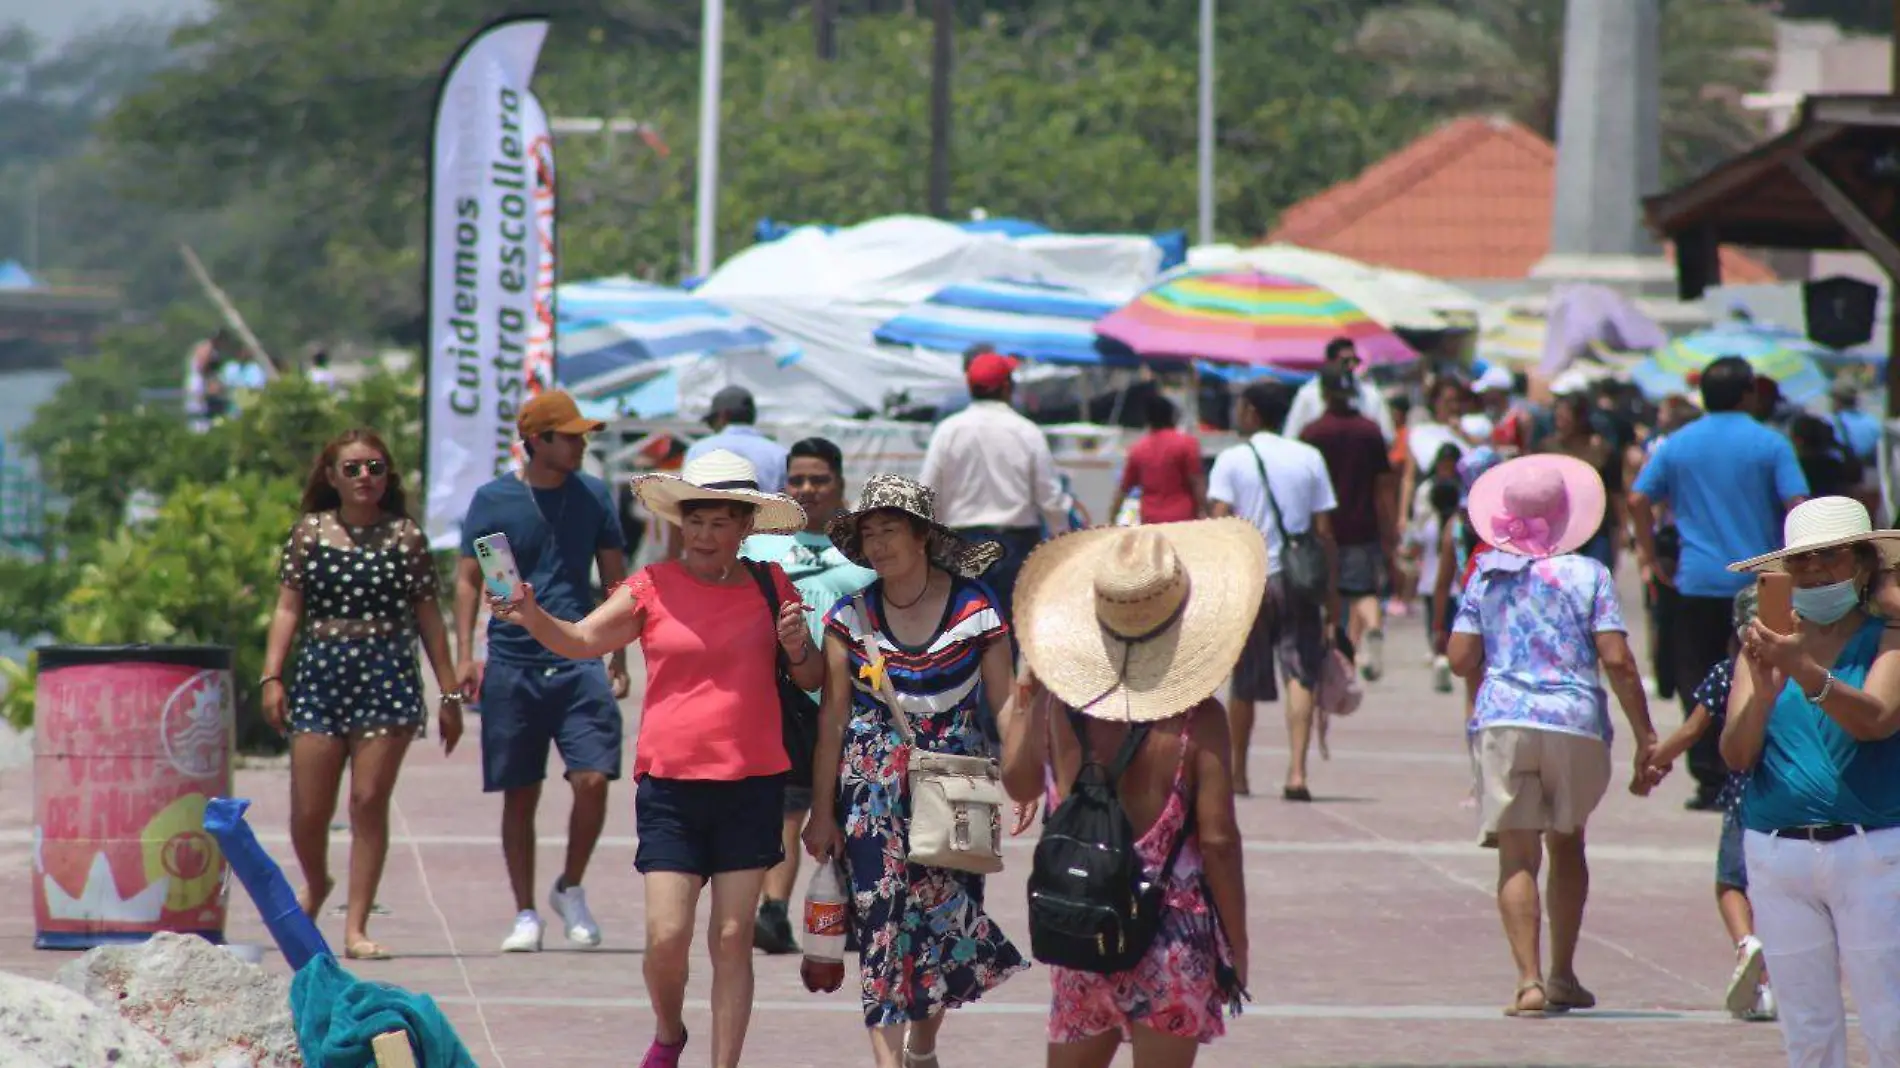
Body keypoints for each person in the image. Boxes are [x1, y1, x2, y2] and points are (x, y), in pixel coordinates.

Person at [493, 449, 821, 1068]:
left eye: (720, 522)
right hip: (671, 787)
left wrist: (799, 645)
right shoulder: (651, 585)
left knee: (732, 938)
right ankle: (670, 1034)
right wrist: (530, 613)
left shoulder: (770, 585)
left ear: (744, 528)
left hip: (752, 782)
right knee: (666, 940)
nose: (704, 534)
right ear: (678, 523)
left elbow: (806, 677)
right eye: (694, 520)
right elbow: (584, 640)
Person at [1001, 520, 1256, 1067]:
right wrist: (1236, 943)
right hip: (1170, 937)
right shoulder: (1198, 719)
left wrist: (1027, 693)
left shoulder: (1059, 703)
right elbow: (1217, 842)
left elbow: (1018, 784)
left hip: (1081, 927)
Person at [802, 475, 1027, 1068]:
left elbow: (1005, 704)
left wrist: (1027, 774)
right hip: (872, 786)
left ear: (922, 536)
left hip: (959, 782)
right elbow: (832, 719)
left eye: (890, 530)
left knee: (950, 922)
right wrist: (821, 812)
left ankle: (922, 1046)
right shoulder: (850, 617)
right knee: (881, 926)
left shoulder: (977, 609)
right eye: (867, 534)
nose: (877, 545)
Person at [1447, 454, 1661, 1018]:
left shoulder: (1486, 573)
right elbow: (1616, 658)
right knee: (1568, 844)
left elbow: (1459, 658)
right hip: (1574, 722)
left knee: (1516, 854)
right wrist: (1645, 734)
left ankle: (1528, 982)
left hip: (1505, 720)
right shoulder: (1590, 574)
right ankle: (1565, 973)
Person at [259, 429, 463, 960]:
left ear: (387, 475)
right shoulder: (308, 533)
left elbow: (428, 618)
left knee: (368, 801)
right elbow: (287, 609)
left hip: (386, 675)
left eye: (373, 467)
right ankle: (317, 879)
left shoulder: (405, 537)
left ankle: (355, 927)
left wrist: (450, 694)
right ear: (331, 477)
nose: (363, 477)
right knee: (308, 809)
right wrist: (272, 676)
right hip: (321, 674)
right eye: (351, 469)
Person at [1720, 496, 1900, 1068]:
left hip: (1872, 847)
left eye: (1830, 556)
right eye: (1800, 562)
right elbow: (1737, 753)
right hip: (1777, 851)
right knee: (1807, 1028)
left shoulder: (1888, 636)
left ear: (1864, 563)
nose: (1814, 571)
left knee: (1890, 1017)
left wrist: (1803, 670)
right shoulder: (1764, 644)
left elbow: (1876, 719)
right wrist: (1764, 691)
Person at [453, 390, 631, 953]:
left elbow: (616, 581)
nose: (581, 444)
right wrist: (465, 654)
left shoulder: (595, 496)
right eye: (569, 435)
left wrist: (620, 655)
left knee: (594, 778)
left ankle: (569, 887)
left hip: (579, 655)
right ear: (535, 441)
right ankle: (525, 910)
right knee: (519, 793)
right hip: (512, 661)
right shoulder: (496, 501)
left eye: (583, 435)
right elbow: (472, 578)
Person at [1630, 356, 1808, 811]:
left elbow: (1637, 498)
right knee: (1764, 674)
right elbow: (1798, 502)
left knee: (1698, 676)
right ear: (1748, 393)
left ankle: (1709, 778)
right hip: (1761, 583)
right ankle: (1749, 769)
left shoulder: (1677, 444)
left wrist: (1648, 555)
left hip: (1698, 579)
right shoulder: (1770, 443)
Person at [739, 437, 876, 955]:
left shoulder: (869, 550)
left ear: (840, 484)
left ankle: (861, 911)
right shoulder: (761, 548)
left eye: (819, 479)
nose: (808, 489)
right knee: (789, 809)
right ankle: (773, 910)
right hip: (786, 696)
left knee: (858, 809)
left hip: (858, 697)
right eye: (797, 480)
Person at [1644, 586, 1777, 1022]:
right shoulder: (1798, 672)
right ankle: (1769, 981)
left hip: (1741, 798)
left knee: (1730, 883)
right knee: (1779, 893)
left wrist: (1652, 764)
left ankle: (1746, 946)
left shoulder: (1727, 673)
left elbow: (1690, 732)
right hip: (1787, 798)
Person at [1207, 380, 1340, 800]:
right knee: (1300, 673)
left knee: (1244, 681)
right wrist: (1332, 594)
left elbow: (1219, 522)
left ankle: (1238, 775)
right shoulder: (1310, 457)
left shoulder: (1232, 459)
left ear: (1251, 412)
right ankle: (1297, 772)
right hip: (1298, 580)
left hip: (1250, 578)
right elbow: (1324, 532)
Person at [919, 351, 1075, 642]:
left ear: (969, 388)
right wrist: (1061, 545)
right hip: (1014, 546)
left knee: (961, 635)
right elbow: (1050, 499)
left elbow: (926, 495)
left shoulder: (947, 431)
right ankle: (1006, 689)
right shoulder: (1026, 432)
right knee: (1009, 635)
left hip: (959, 544)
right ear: (1007, 387)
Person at [1300, 363, 1397, 682]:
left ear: (1324, 393)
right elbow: (1384, 485)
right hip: (1363, 524)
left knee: (1333, 594)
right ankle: (1371, 628)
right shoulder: (1370, 431)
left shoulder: (1312, 433)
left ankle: (1341, 655)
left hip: (1323, 526)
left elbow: (1306, 487)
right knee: (1365, 590)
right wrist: (1390, 529)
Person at [1537, 392, 1625, 572]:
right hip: (1556, 530)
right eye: (1557, 416)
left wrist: (1622, 529)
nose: (1559, 421)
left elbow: (1615, 492)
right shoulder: (1546, 448)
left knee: (1597, 579)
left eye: (1564, 417)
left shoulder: (1602, 450)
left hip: (1596, 529)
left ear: (1579, 419)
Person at [1110, 394, 1205, 526]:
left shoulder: (1138, 449)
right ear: (1172, 416)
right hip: (1183, 519)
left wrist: (1111, 519)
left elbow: (1123, 489)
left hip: (1151, 520)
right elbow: (1197, 482)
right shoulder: (1187, 444)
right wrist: (1206, 513)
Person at [1282, 337, 1396, 444]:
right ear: (1330, 362)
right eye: (1345, 361)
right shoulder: (1308, 394)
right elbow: (1291, 436)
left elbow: (1387, 436)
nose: (1351, 366)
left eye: (1354, 360)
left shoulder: (1371, 395)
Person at [688, 386, 790, 494]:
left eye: (711, 422)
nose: (711, 427)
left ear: (724, 415)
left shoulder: (698, 450)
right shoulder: (780, 454)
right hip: (770, 510)